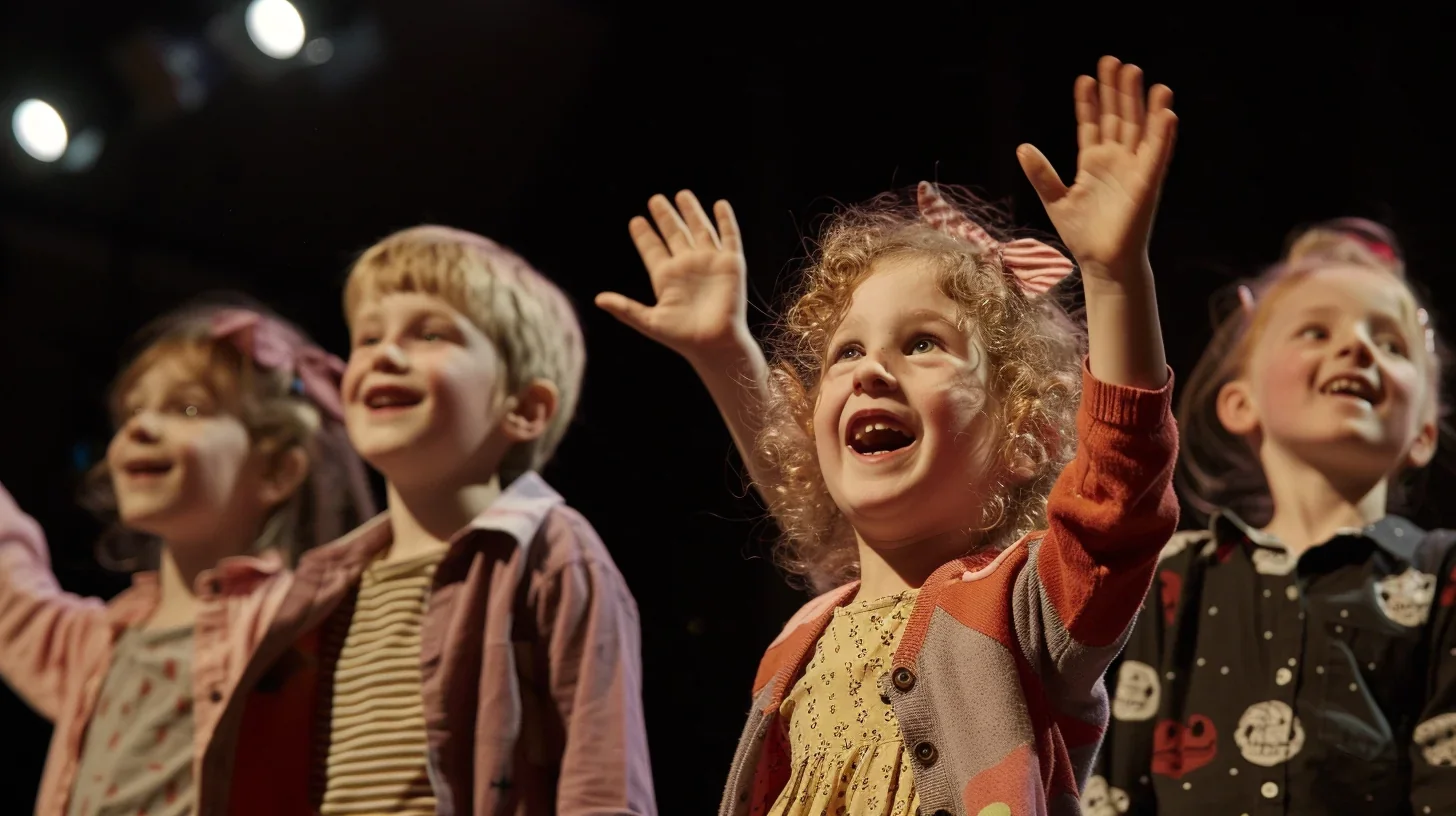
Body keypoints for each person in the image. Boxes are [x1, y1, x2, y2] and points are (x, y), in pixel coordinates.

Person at [597, 56, 1180, 815]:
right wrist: (725, 353)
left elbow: (1117, 496)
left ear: (1027, 438)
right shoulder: (803, 634)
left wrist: (1114, 279)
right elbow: (790, 472)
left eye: (923, 343)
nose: (872, 369)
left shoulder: (1026, 607)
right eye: (848, 349)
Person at [252, 225, 656, 815]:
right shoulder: (325, 585)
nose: (383, 355)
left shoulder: (552, 554)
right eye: (367, 338)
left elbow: (603, 786)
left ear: (524, 408)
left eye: (429, 334)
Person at [1084, 218, 1456, 815]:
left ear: (1424, 433)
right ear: (1240, 402)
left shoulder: (1443, 576)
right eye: (1315, 330)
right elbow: (1116, 784)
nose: (1357, 347)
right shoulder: (1174, 576)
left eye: (1390, 343)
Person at [0, 298, 374, 816]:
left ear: (276, 473)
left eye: (189, 408)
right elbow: (13, 595)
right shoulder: (103, 642)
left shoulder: (292, 624)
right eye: (133, 410)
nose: (141, 426)